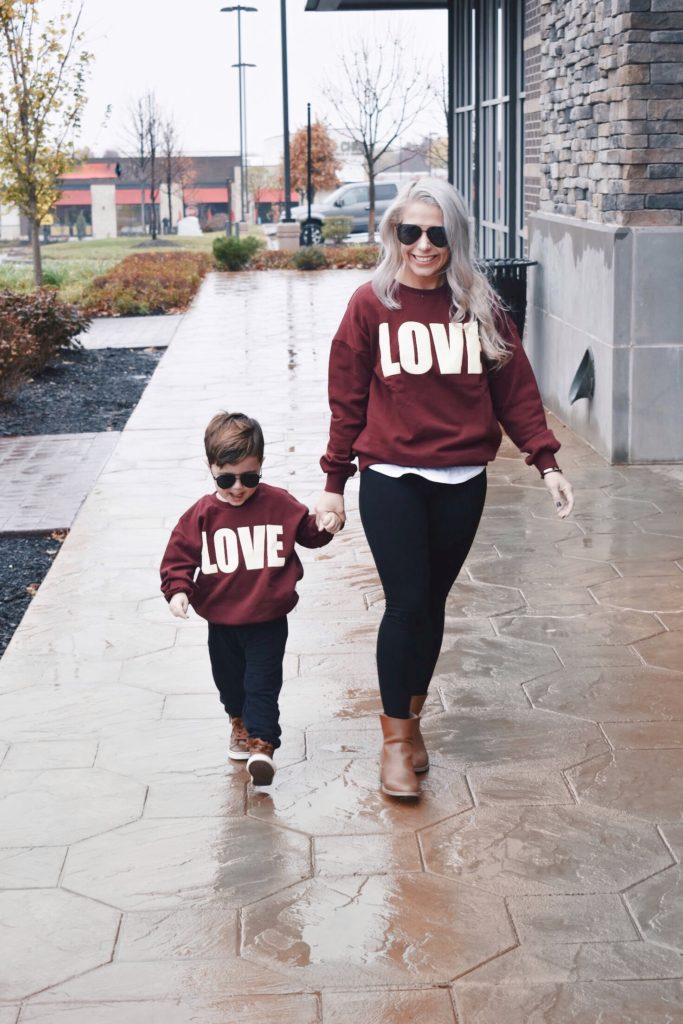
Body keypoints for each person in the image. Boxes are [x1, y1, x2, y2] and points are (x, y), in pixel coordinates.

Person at [315, 178, 574, 800]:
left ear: (453, 237)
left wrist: (547, 461)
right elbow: (346, 399)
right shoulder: (370, 305)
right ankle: (396, 742)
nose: (423, 245)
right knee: (405, 603)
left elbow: (515, 390)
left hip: (462, 478)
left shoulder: (479, 306)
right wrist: (333, 482)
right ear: (394, 236)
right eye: (411, 232)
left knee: (432, 604)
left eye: (436, 233)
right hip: (391, 476)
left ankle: (413, 717)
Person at [161, 412, 342, 786]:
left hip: (267, 619)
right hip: (222, 621)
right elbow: (179, 558)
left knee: (262, 682)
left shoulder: (278, 503)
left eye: (249, 477)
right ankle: (238, 722)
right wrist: (178, 589)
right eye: (226, 479)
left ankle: (262, 745)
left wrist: (326, 523)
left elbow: (307, 532)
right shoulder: (201, 516)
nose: (238, 487)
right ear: (211, 468)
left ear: (261, 466)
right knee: (229, 683)